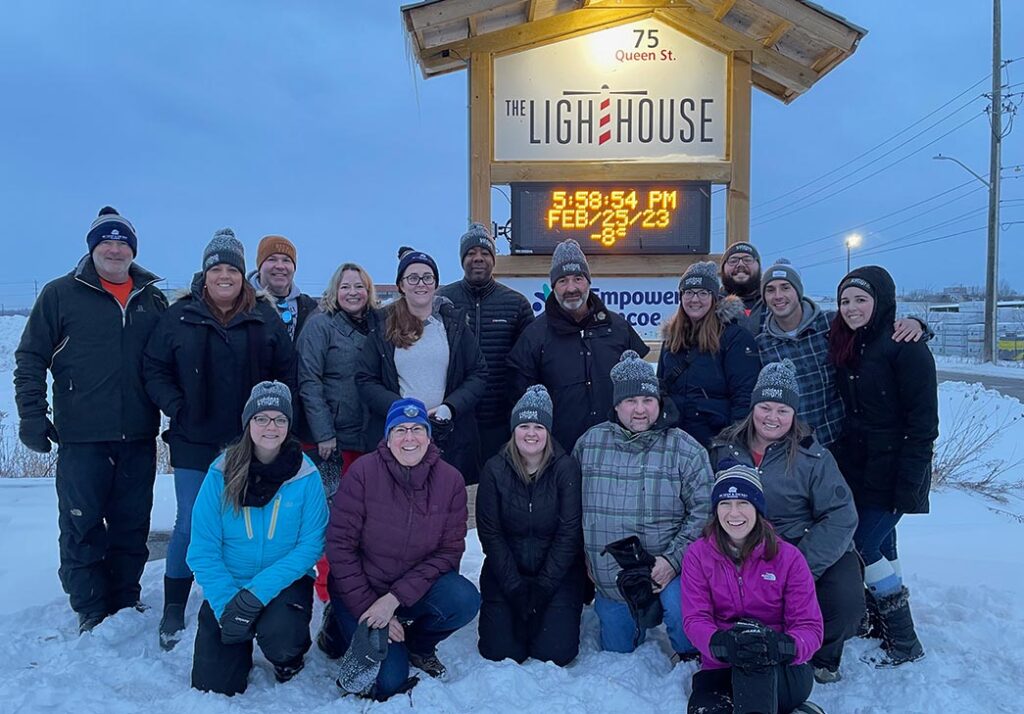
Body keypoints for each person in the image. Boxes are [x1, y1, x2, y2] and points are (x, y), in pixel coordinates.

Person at [13, 206, 167, 633]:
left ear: (132, 250)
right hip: (82, 436)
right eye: (106, 241)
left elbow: (170, 362)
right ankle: (90, 606)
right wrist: (32, 415)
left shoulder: (151, 298)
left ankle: (125, 598)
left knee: (132, 521)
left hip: (138, 433)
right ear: (93, 247)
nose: (114, 249)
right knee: (81, 522)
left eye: (122, 242)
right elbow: (30, 358)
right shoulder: (61, 294)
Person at [143, 228, 296, 650]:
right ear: (205, 272)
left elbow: (287, 371)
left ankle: (245, 598)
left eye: (233, 269)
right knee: (192, 521)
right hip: (194, 438)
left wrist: (276, 418)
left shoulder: (263, 316)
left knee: (248, 523)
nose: (225, 276)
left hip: (250, 442)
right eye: (217, 268)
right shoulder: (179, 316)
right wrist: (176, 405)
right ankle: (174, 605)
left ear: (244, 275)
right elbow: (154, 368)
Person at [712, 360, 862, 684]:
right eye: (765, 406)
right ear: (753, 407)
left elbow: (841, 514)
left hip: (804, 543)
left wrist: (802, 564)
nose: (772, 417)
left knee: (845, 603)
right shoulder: (725, 448)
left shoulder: (813, 456)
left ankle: (822, 657)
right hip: (746, 544)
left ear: (794, 413)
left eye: (783, 410)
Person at [326, 398, 480, 701]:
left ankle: (417, 645)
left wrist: (393, 602)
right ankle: (339, 625)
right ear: (387, 436)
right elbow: (340, 548)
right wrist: (372, 608)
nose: (409, 438)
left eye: (417, 429)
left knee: (463, 598)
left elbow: (448, 554)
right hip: (360, 590)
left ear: (428, 435)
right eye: (400, 430)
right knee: (388, 683)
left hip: (411, 590)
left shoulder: (450, 481)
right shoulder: (362, 474)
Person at [186, 382, 328, 696]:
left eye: (279, 419)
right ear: (248, 422)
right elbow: (202, 548)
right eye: (261, 418)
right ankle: (237, 646)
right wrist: (226, 604)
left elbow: (310, 546)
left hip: (283, 582)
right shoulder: (220, 474)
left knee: (282, 635)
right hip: (230, 582)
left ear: (289, 425)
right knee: (215, 685)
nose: (270, 426)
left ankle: (286, 659)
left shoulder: (305, 476)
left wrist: (256, 595)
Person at [828, 266, 938, 668]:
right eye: (845, 300)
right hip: (858, 468)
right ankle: (879, 624)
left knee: (860, 543)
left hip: (897, 469)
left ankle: (904, 639)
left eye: (861, 299)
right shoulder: (849, 342)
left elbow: (924, 423)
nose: (852, 308)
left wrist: (911, 482)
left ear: (882, 301)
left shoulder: (906, 346)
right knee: (883, 545)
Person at [573, 350, 711, 656]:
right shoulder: (589, 445)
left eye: (647, 401)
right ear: (616, 405)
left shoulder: (685, 449)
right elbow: (571, 508)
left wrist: (673, 560)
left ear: (659, 402)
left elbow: (704, 511)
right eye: (630, 401)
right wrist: (583, 555)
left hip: (671, 569)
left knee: (684, 621)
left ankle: (687, 652)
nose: (639, 410)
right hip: (612, 576)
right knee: (618, 651)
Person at [682, 465, 825, 714]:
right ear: (716, 510)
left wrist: (781, 646)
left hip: (782, 668)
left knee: (756, 670)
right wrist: (722, 643)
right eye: (725, 503)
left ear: (758, 509)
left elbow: (810, 627)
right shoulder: (698, 555)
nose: (734, 512)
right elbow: (695, 619)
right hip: (721, 664)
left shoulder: (789, 558)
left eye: (743, 503)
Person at [756, 258, 926, 448]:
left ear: (798, 291)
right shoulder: (762, 344)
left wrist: (916, 324)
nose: (778, 295)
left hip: (841, 442)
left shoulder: (832, 324)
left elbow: (876, 328)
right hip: (795, 448)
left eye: (785, 287)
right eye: (770, 290)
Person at [356, 248, 488, 485]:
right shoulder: (383, 327)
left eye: (428, 277)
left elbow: (478, 373)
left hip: (449, 434)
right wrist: (399, 407)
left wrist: (450, 407)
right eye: (413, 278)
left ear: (436, 284)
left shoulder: (453, 325)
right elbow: (365, 379)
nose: (421, 284)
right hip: (400, 433)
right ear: (401, 285)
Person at [476, 385, 584, 666]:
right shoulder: (494, 469)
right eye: (524, 425)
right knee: (499, 651)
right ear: (514, 429)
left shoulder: (565, 468)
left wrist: (544, 588)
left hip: (556, 576)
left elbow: (568, 533)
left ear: (548, 430)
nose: (531, 433)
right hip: (506, 574)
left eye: (539, 425)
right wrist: (514, 587)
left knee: (556, 652)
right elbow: (491, 534)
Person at [296, 262, 379, 624]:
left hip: (371, 436)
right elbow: (309, 381)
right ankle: (329, 590)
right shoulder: (320, 324)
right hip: (333, 440)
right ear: (335, 289)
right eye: (345, 286)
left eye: (359, 287)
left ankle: (365, 585)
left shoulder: (379, 323)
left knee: (368, 519)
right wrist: (323, 432)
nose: (352, 293)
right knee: (334, 518)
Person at [509, 239, 648, 453]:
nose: (571, 288)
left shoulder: (618, 327)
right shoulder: (534, 336)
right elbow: (520, 400)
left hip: (618, 451)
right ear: (553, 286)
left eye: (578, 278)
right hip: (559, 454)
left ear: (588, 282)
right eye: (563, 280)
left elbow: (644, 388)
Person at [438, 223, 535, 464]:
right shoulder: (442, 301)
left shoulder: (517, 304)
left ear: (493, 258)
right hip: (453, 419)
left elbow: (528, 364)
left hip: (500, 421)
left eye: (484, 253)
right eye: (471, 253)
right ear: (462, 259)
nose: (478, 258)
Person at [658, 261, 760, 448]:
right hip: (674, 442)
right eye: (689, 292)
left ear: (714, 297)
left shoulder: (734, 338)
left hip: (715, 442)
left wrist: (734, 443)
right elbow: (661, 389)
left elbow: (744, 397)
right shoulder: (671, 339)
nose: (694, 299)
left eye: (703, 293)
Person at [248, 234, 318, 341]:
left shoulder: (309, 308)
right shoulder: (242, 303)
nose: (280, 266)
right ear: (260, 267)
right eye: (272, 259)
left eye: (286, 260)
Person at [719, 241, 765, 334]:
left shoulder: (774, 303)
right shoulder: (712, 304)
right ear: (723, 268)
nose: (740, 264)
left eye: (747, 260)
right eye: (733, 261)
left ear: (759, 267)